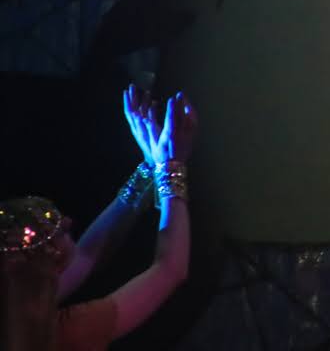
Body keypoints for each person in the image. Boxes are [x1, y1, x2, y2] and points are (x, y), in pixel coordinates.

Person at [0, 86, 197, 350]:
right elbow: (170, 269)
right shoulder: (62, 335)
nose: (67, 222)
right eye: (50, 233)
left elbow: (87, 255)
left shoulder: (18, 301)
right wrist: (172, 166)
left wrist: (150, 167)